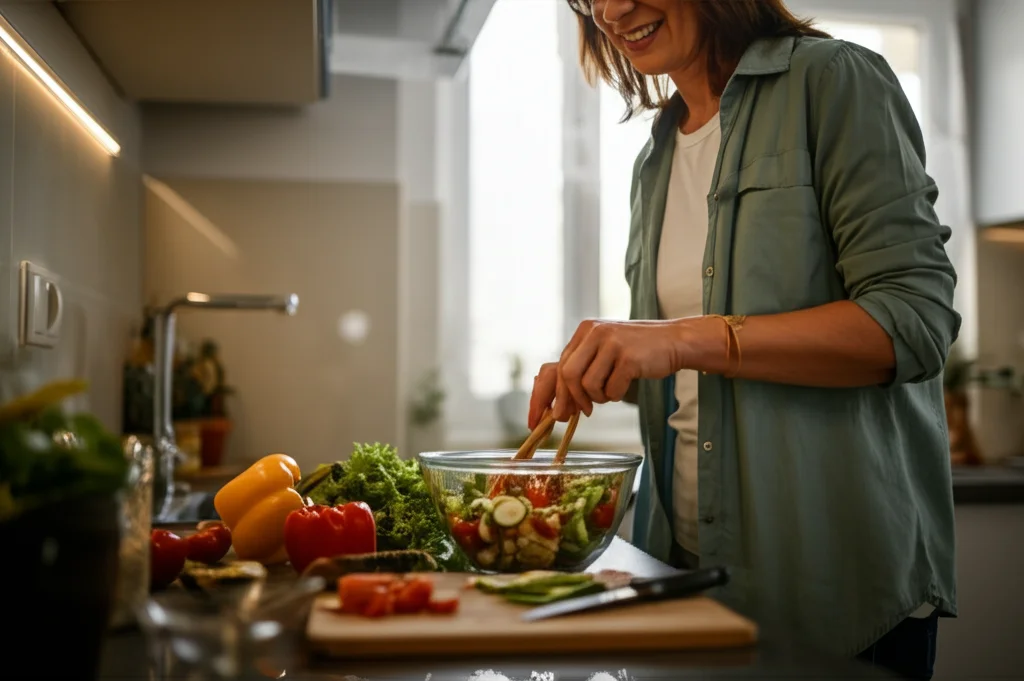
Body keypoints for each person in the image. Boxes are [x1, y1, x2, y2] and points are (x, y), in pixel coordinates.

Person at [527, 1, 958, 679]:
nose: (611, 10)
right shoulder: (656, 155)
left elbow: (913, 321)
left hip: (837, 595)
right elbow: (689, 369)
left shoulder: (833, 81)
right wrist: (605, 365)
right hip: (689, 577)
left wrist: (682, 339)